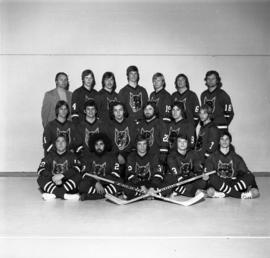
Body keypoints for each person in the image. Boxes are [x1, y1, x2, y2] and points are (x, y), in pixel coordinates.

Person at [204, 131, 259, 199]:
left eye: (227, 139)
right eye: (222, 139)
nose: (224, 141)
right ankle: (238, 195)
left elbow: (245, 173)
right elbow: (208, 174)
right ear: (218, 141)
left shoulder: (237, 157)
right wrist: (206, 176)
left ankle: (224, 193)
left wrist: (254, 186)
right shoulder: (212, 157)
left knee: (250, 175)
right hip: (219, 183)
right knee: (212, 179)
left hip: (233, 183)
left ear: (230, 141)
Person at [37, 134, 81, 201]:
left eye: (63, 141)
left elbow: (77, 168)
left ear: (66, 143)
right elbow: (40, 169)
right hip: (53, 182)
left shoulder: (72, 155)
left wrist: (63, 175)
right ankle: (64, 195)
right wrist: (53, 177)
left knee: (79, 175)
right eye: (58, 141)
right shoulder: (50, 156)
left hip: (66, 182)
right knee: (40, 178)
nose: (60, 144)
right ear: (55, 144)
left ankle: (54, 194)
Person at [79, 133, 122, 200]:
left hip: (107, 182)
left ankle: (91, 196)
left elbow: (116, 175)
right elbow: (85, 174)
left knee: (120, 183)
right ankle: (108, 194)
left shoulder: (112, 157)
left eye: (101, 144)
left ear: (105, 144)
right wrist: (95, 183)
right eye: (96, 144)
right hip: (93, 183)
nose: (98, 147)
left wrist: (100, 179)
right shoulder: (88, 157)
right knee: (82, 186)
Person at [125, 134, 164, 200]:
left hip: (151, 183)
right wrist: (141, 186)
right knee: (127, 187)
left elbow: (158, 173)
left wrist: (152, 188)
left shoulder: (154, 156)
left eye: (144, 144)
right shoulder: (131, 156)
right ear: (136, 145)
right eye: (139, 144)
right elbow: (130, 173)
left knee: (166, 183)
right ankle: (150, 195)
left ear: (147, 145)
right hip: (137, 184)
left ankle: (144, 194)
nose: (142, 147)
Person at [105, 101, 137, 171]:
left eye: (120, 110)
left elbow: (135, 143)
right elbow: (108, 146)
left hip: (129, 156)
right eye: (115, 110)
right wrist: (117, 155)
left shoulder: (132, 124)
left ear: (124, 111)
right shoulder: (108, 126)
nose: (118, 113)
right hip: (114, 156)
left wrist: (125, 155)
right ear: (112, 112)